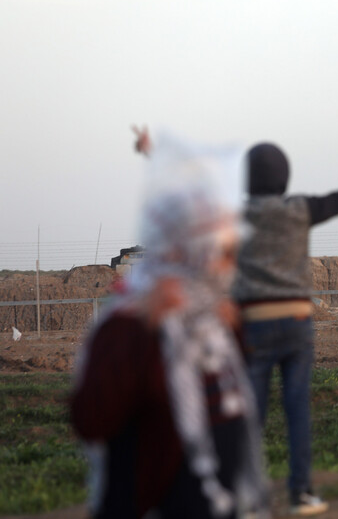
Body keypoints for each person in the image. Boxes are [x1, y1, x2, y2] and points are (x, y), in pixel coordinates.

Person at [71, 130, 269, 519]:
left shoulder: (215, 325)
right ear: (188, 250)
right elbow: (90, 419)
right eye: (224, 253)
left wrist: (237, 333)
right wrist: (142, 332)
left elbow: (233, 407)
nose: (230, 267)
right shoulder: (129, 327)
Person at [232, 134, 338, 515]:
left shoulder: (235, 216)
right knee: (297, 409)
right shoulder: (299, 209)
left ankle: (250, 499)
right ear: (285, 177)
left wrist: (155, 155)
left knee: (252, 417)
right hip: (298, 322)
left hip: (253, 326)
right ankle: (302, 493)